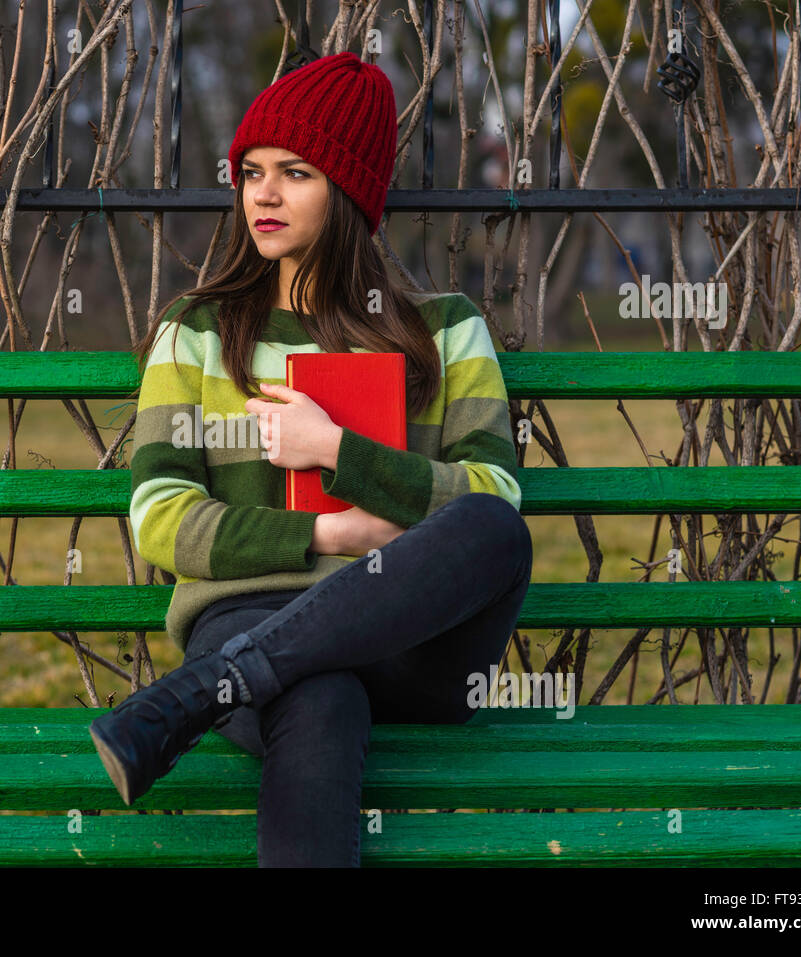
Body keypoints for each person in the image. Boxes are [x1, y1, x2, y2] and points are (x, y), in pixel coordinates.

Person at [89, 51, 533, 867]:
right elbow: (160, 516)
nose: (263, 193)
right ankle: (240, 670)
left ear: (351, 192)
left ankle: (199, 692)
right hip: (248, 617)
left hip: (413, 642)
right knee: (317, 691)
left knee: (495, 530)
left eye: (295, 172)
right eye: (252, 171)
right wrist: (334, 537)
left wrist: (335, 449)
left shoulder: (445, 327)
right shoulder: (197, 331)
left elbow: (491, 495)